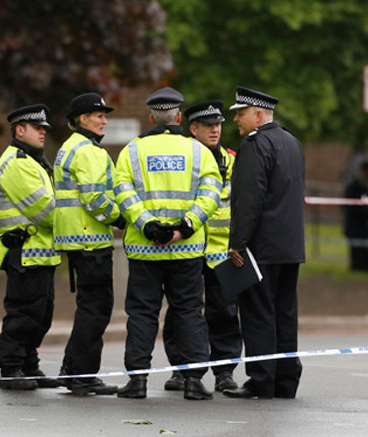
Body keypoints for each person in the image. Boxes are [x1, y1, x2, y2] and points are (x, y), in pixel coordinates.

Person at [114, 87, 222, 400]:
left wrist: (146, 224)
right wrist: (186, 226)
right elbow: (212, 193)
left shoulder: (132, 151)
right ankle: (193, 381)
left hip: (144, 249)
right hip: (186, 249)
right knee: (189, 311)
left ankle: (137, 382)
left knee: (142, 315)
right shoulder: (198, 151)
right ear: (178, 117)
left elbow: (122, 191)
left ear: (151, 117)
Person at [223, 86, 305, 399]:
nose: (236, 122)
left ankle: (261, 380)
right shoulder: (292, 142)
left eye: (240, 114)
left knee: (258, 314)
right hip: (290, 246)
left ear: (258, 115)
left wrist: (238, 242)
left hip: (261, 246)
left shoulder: (255, 144)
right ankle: (286, 381)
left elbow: (249, 198)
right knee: (285, 313)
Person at [162, 100, 241, 393]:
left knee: (226, 312)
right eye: (208, 125)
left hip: (225, 251)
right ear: (192, 128)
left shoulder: (233, 161)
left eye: (218, 124)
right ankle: (181, 370)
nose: (215, 130)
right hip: (188, 249)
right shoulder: (182, 160)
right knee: (181, 311)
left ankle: (224, 372)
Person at [53, 93, 125, 395]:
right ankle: (81, 374)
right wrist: (121, 218)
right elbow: (95, 198)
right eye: (99, 115)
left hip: (75, 238)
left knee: (88, 307)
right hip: (90, 239)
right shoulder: (89, 152)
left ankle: (72, 369)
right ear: (83, 118)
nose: (104, 120)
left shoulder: (68, 147)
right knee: (96, 308)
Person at [0, 104, 61, 390]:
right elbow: (46, 211)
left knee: (40, 315)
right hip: (25, 252)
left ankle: (29, 365)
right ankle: (11, 369)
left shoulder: (33, 161)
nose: (43, 133)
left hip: (40, 253)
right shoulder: (17, 163)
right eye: (37, 129)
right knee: (23, 314)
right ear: (20, 130)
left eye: (45, 129)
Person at [343, 158, 368, 272]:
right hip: (355, 226)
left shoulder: (366, 187)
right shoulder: (353, 187)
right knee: (356, 252)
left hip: (364, 226)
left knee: (364, 251)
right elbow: (348, 206)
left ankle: (364, 269)